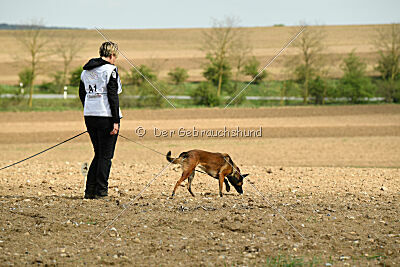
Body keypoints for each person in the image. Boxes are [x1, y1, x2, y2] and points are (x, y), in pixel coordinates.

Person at [79, 41, 122, 199]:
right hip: (106, 116)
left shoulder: (85, 72)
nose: (115, 60)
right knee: (105, 156)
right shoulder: (111, 70)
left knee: (98, 154)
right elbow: (113, 96)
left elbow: (82, 95)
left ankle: (89, 191)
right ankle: (101, 192)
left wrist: (89, 108)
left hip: (89, 116)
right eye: (115, 57)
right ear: (112, 55)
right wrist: (115, 121)